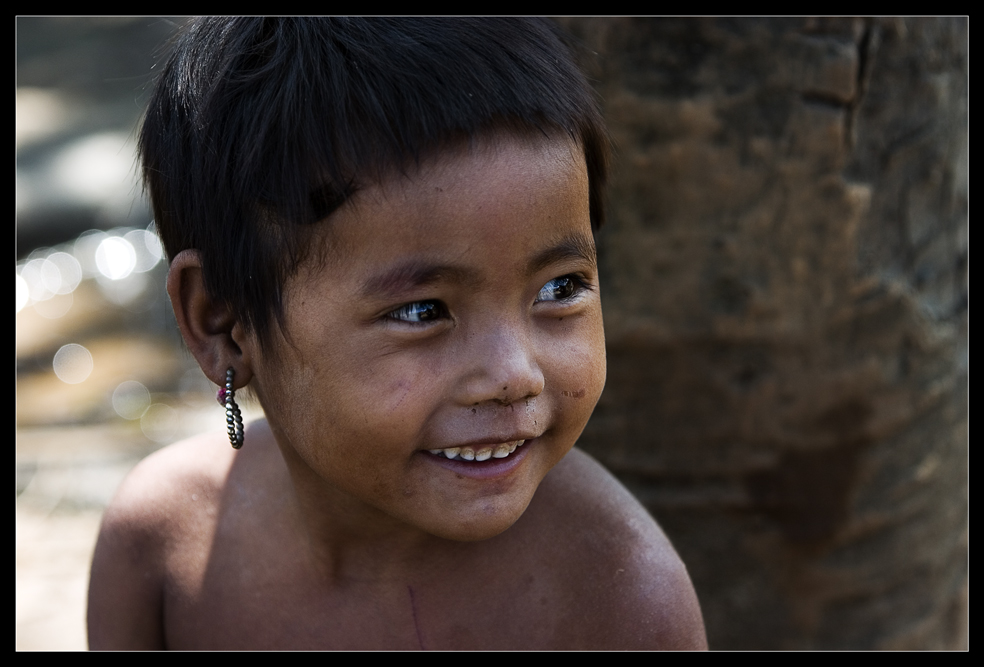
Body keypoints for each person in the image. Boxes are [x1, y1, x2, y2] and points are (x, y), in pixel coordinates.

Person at [87, 17, 707, 650]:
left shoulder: (619, 601)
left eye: (560, 289)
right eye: (423, 311)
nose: (515, 374)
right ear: (223, 323)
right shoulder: (164, 549)